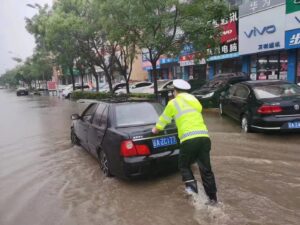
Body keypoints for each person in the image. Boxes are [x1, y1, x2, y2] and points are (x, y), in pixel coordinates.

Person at [152, 79, 218, 204]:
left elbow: (163, 120)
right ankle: (213, 199)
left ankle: (193, 195)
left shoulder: (173, 103)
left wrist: (155, 130)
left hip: (188, 139)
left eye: (173, 91)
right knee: (206, 169)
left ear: (175, 91)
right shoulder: (194, 100)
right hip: (204, 137)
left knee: (183, 165)